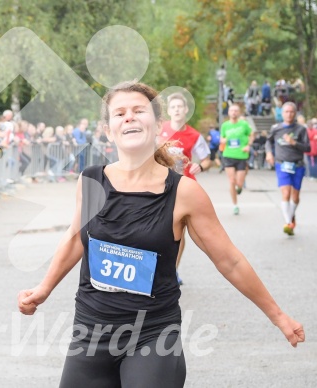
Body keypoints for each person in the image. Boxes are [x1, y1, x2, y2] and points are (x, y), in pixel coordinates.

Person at [17, 81, 304, 388]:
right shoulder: (91, 181)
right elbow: (75, 238)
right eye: (120, 113)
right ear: (108, 128)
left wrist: (278, 315)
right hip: (90, 333)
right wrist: (44, 288)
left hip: (153, 336)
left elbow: (229, 261)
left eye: (139, 110)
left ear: (157, 124)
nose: (129, 117)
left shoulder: (184, 193)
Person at [160, 92, 212, 285]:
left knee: (178, 231)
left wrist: (201, 166)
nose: (176, 110)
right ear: (169, 111)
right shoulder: (159, 131)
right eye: (173, 107)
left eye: (179, 107)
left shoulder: (194, 135)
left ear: (186, 110)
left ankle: (172, 270)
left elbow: (208, 160)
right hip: (160, 186)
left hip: (184, 187)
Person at [265, 102, 311, 236]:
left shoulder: (301, 129)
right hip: (282, 164)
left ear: (295, 113)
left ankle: (291, 214)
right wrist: (269, 153)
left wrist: (294, 143)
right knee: (285, 193)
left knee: (295, 197)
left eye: (291, 112)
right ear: (282, 113)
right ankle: (288, 222)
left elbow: (308, 148)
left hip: (297, 165)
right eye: (286, 111)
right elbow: (268, 141)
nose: (289, 114)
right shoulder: (276, 128)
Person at [220, 104, 254, 215]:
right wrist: (223, 141)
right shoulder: (225, 125)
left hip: (241, 156)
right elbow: (222, 138)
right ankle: (235, 205)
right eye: (232, 110)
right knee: (232, 181)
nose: (234, 112)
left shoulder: (244, 124)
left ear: (239, 113)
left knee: (239, 183)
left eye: (236, 110)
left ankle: (239, 187)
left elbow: (252, 134)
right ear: (228, 112)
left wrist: (249, 145)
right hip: (228, 155)